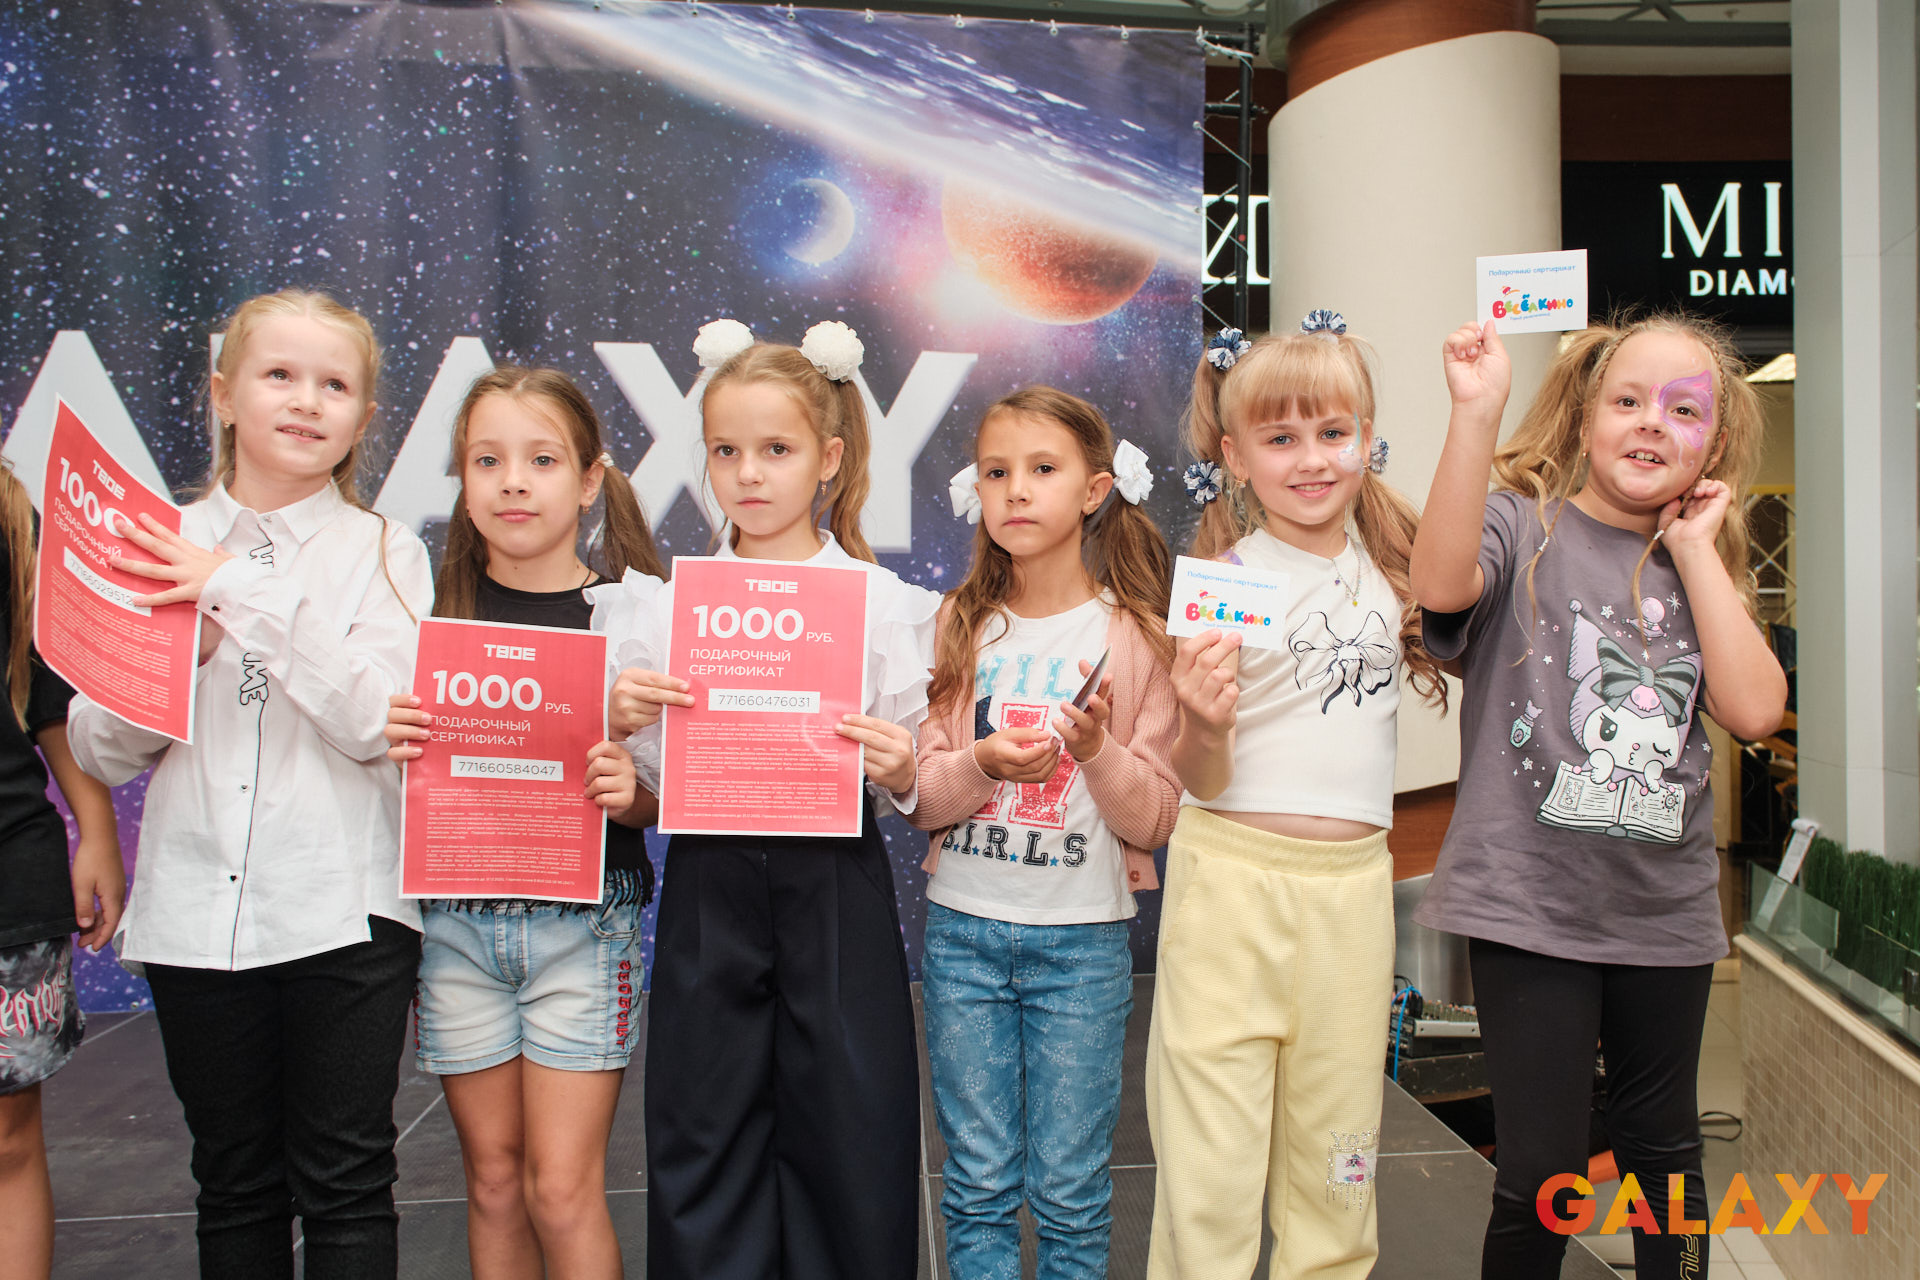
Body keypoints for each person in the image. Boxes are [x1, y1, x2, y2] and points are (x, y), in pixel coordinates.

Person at [67, 288, 434, 1280]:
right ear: (224, 395)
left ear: (363, 418)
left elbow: (374, 722)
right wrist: (179, 655)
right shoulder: (153, 541)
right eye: (279, 375)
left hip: (346, 911)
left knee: (348, 1179)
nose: (306, 400)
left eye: (334, 385)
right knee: (233, 1182)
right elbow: (99, 745)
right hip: (195, 909)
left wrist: (235, 589)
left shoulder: (385, 550)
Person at [1411, 315, 1786, 1280]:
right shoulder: (1520, 526)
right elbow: (1440, 586)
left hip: (1663, 914)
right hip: (1528, 905)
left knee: (1666, 1157)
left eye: (1684, 411)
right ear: (1586, 419)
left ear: (1715, 446)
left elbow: (1755, 710)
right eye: (1628, 400)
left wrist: (1694, 550)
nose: (1652, 421)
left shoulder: (1702, 565)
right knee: (1541, 1169)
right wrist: (1475, 414)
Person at [590, 319, 936, 1280]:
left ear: (829, 458)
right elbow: (647, 791)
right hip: (712, 884)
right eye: (726, 451)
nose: (748, 473)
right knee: (703, 1123)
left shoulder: (880, 603)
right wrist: (626, 735)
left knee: (854, 1125)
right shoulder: (668, 606)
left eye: (776, 449)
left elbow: (911, 782)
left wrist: (899, 767)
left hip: (835, 884)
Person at [1146, 313, 1447, 1279]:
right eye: (1280, 438)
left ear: (1367, 440)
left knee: (1340, 1152)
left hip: (1352, 895)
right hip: (1229, 890)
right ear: (1236, 457)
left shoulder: (1399, 571)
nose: (1311, 459)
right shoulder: (1222, 583)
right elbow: (1199, 779)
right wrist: (1201, 722)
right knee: (1211, 1164)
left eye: (1332, 432)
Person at [382, 365, 661, 1279]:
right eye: (487, 460)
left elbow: (666, 798)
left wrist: (633, 791)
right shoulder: (424, 620)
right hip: (455, 927)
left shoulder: (631, 617)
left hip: (586, 926)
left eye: (542, 460)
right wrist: (388, 738)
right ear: (462, 481)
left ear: (588, 480)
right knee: (494, 1183)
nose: (513, 482)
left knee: (561, 1189)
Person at [911, 386, 1179, 1280]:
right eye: (996, 472)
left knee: (1069, 1187)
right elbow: (920, 798)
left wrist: (1097, 751)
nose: (1016, 490)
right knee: (978, 1181)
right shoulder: (956, 624)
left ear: (1096, 490)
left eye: (1042, 469)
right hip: (963, 936)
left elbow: (1155, 816)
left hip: (1083, 946)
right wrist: (981, 762)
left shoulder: (1134, 638)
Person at [0, 457, 125, 1280]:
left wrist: (98, 830)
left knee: (7, 1138)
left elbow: (49, 698)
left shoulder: (10, 514)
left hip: (10, 867)